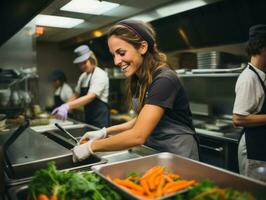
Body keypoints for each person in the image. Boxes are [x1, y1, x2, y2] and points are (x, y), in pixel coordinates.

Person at [72, 19, 199, 162]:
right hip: (157, 150)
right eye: (114, 55)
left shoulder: (164, 80)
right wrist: (104, 132)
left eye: (121, 52)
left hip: (178, 152)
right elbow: (139, 121)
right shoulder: (140, 79)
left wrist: (92, 146)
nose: (116, 61)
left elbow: (138, 135)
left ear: (142, 47)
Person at [233, 24, 266, 179]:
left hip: (260, 146)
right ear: (262, 47)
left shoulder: (260, 75)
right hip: (253, 149)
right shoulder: (249, 78)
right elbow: (238, 119)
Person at [52, 45, 109, 128]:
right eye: (80, 64)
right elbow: (76, 95)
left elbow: (90, 97)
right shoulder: (83, 77)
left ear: (91, 59)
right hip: (88, 120)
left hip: (100, 122)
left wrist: (67, 106)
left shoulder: (99, 75)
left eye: (84, 62)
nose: (82, 66)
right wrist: (63, 107)